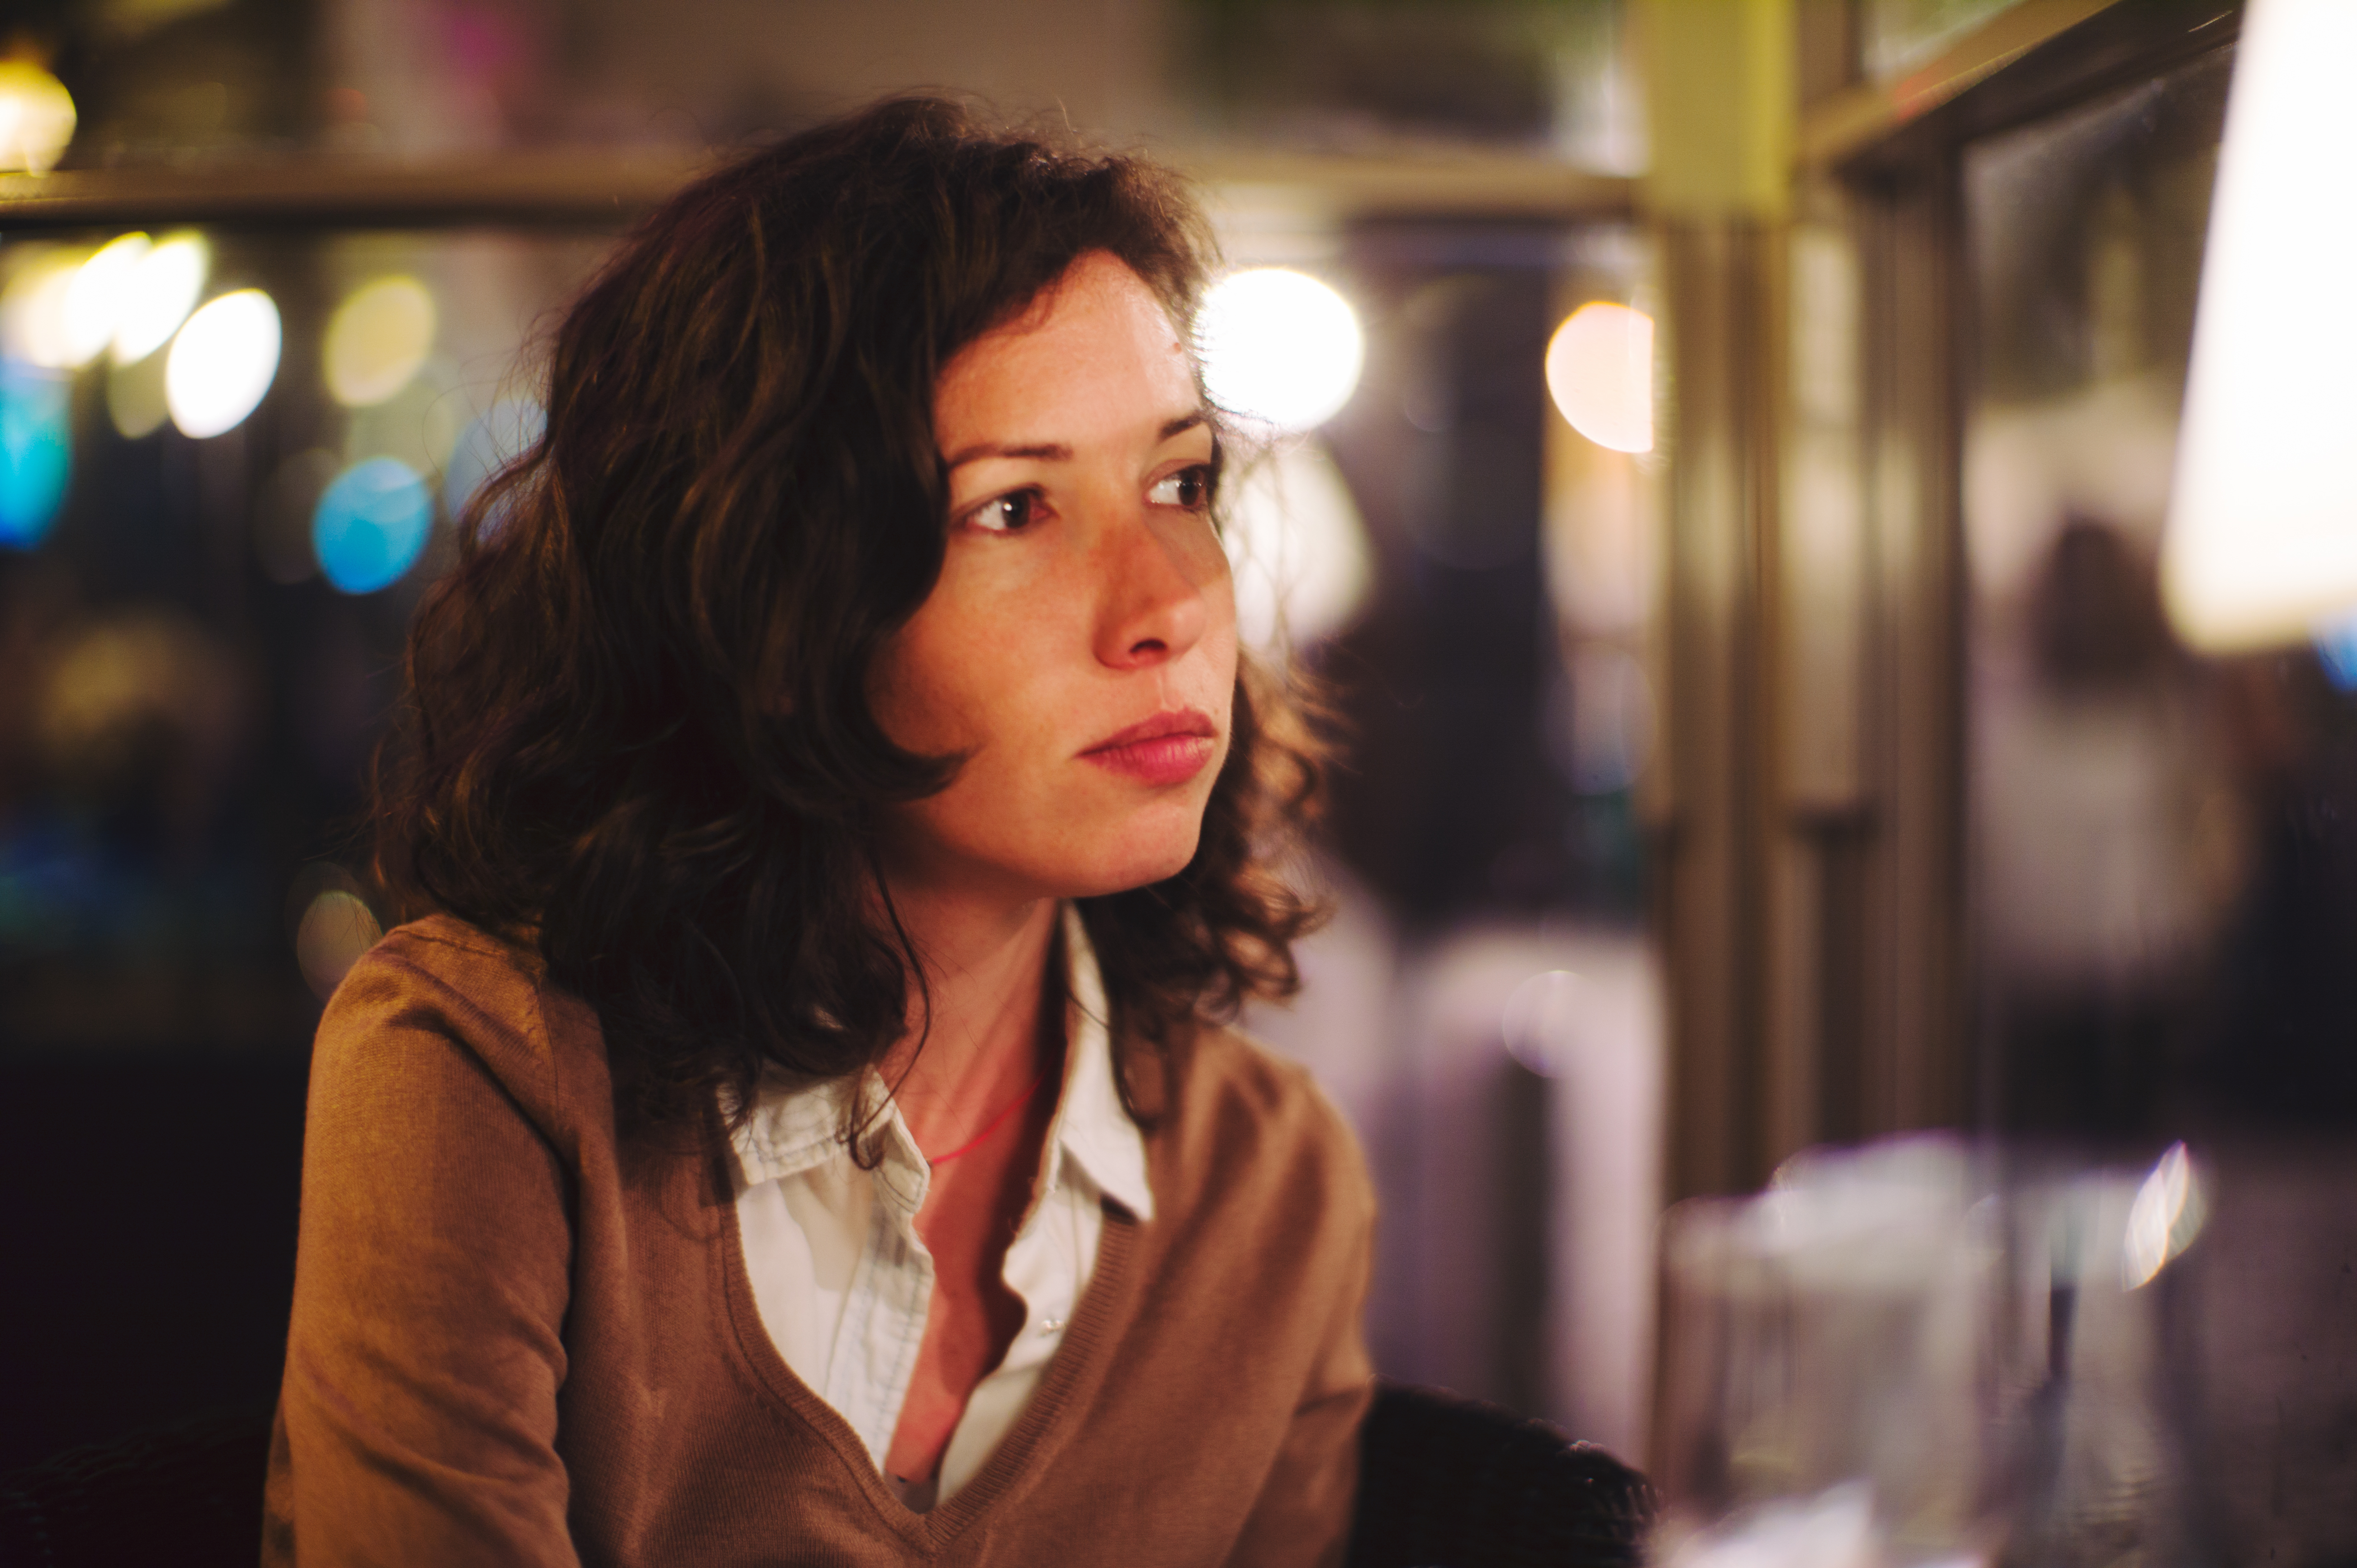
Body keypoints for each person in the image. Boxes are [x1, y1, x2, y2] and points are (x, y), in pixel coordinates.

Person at [262, 97, 1376, 1566]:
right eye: (1015, 509)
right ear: (764, 594)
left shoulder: (1269, 1181)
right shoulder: (483, 1074)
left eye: (1178, 482)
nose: (1167, 602)